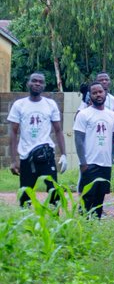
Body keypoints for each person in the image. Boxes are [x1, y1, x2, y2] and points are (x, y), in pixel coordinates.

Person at [7, 72, 67, 206]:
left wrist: (64, 154)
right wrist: (13, 160)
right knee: (25, 195)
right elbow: (13, 132)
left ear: (44, 85)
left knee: (54, 192)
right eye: (34, 81)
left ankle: (54, 221)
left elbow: (58, 130)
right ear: (28, 83)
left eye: (40, 82)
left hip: (46, 154)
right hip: (27, 155)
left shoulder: (50, 104)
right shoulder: (19, 105)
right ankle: (27, 224)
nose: (37, 84)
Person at [74, 81, 114, 216]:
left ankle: (96, 225)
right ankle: (84, 229)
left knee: (100, 201)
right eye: (94, 93)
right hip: (90, 164)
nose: (98, 95)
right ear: (90, 95)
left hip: (105, 164)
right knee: (87, 201)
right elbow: (78, 140)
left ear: (104, 93)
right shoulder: (84, 114)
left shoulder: (112, 115)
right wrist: (83, 163)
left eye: (100, 92)